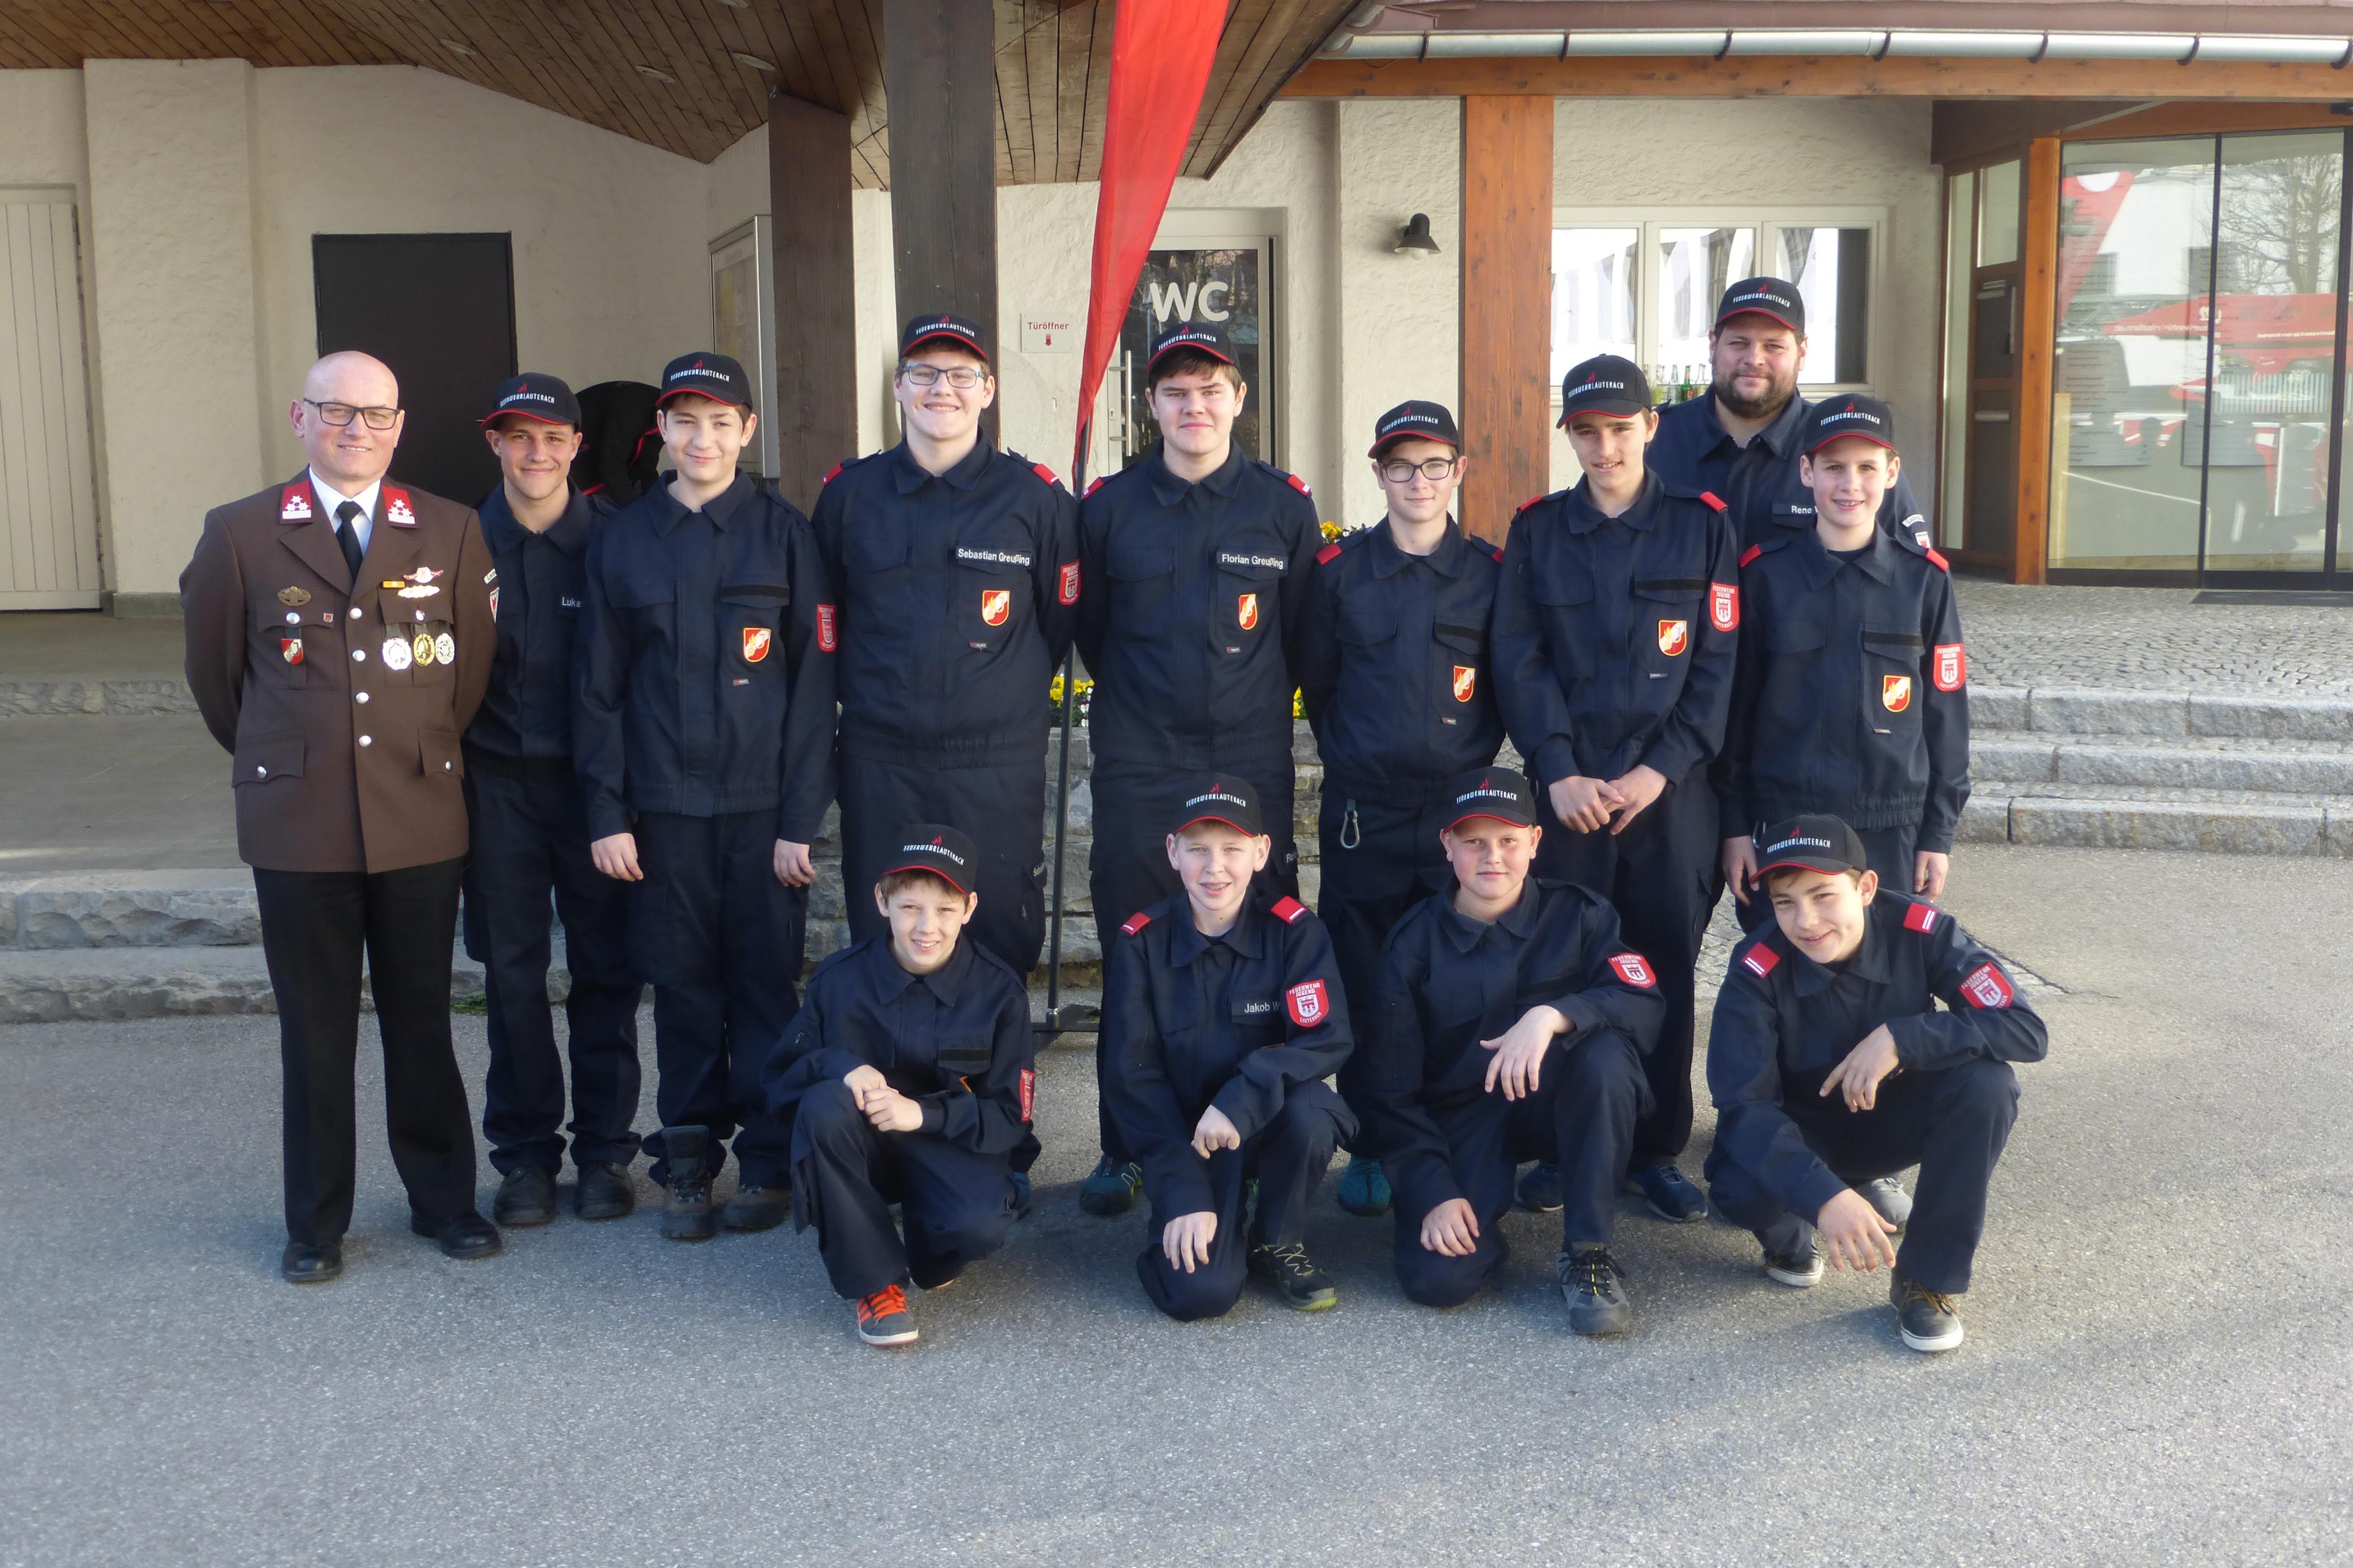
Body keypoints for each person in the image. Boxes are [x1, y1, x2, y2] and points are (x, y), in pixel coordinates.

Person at [180, 350, 500, 1283]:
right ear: (301, 418)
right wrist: (292, 754)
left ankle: (444, 1201)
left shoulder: (450, 528)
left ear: (400, 425)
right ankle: (316, 1224)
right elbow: (218, 683)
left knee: (422, 1019)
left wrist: (405, 746)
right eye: (336, 411)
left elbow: (467, 675)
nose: (356, 429)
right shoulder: (240, 532)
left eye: (375, 413)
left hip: (416, 809)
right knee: (315, 1030)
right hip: (300, 817)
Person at [574, 351, 836, 1242]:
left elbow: (814, 692)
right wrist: (606, 814)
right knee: (683, 988)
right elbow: (598, 691)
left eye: (722, 422)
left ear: (747, 430)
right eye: (685, 421)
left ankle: (766, 1160)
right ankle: (687, 1161)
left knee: (765, 987)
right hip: (663, 813)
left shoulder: (785, 535)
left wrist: (800, 821)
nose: (703, 438)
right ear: (662, 430)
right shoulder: (622, 539)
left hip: (763, 816)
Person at [1073, 320, 1323, 1218]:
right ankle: (1126, 1145)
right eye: (1176, 391)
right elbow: (1091, 631)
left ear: (1239, 399)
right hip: (1142, 759)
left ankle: (1249, 1128)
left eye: (1211, 389)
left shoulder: (1283, 508)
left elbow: (1305, 638)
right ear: (1151, 403)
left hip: (1249, 757)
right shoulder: (1108, 509)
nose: (1194, 406)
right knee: (1134, 944)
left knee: (1255, 942)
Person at [1490, 356, 1739, 1226]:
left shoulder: (1703, 528)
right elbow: (1518, 658)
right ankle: (1566, 1145)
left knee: (1662, 967)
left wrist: (1657, 770)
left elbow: (1717, 667)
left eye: (1620, 430)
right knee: (1564, 966)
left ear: (1651, 428)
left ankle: (1654, 1150)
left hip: (1670, 797)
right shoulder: (1538, 530)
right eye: (1587, 432)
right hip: (1569, 798)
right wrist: (1556, 767)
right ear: (1569, 436)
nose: (1605, 448)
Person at [1704, 815, 2046, 1353]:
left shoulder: (1921, 930)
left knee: (1988, 1085)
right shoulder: (1756, 967)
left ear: (1865, 888)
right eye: (1785, 902)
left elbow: (2024, 1029)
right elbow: (1743, 1107)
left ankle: (1925, 1280)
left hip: (1890, 1121)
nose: (1807, 921)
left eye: (1823, 896)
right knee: (1738, 1188)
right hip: (1803, 1131)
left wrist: (1903, 1038)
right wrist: (1821, 1198)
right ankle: (1792, 1239)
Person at [810, 314, 1078, 975]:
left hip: (994, 762)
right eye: (924, 373)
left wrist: (996, 692)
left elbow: (1060, 620)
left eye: (961, 375)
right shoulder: (850, 496)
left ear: (988, 390)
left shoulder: (1035, 499)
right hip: (882, 761)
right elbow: (825, 625)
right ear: (898, 387)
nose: (942, 390)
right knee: (885, 935)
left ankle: (992, 1048)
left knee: (999, 932)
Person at [1359, 769, 1664, 1334]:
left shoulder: (1580, 914)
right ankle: (1483, 1216)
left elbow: (1641, 1000)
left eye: (1507, 840)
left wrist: (1554, 1015)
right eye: (1474, 842)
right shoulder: (1412, 944)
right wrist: (1433, 1191)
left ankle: (1588, 1252)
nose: (1492, 857)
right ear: (1447, 846)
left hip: (1556, 1102)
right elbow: (1391, 1089)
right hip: (1463, 1115)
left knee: (1604, 1058)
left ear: (1535, 841)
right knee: (1438, 1281)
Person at [1295, 400, 1505, 1219]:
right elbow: (1319, 683)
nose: (1418, 481)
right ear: (1378, 474)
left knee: (1456, 977)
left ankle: (1452, 1133)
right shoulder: (1339, 572)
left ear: (1459, 472)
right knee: (1367, 978)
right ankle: (1373, 1141)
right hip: (1365, 812)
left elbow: (1504, 688)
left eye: (1434, 465)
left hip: (1458, 815)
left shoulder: (1490, 575)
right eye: (1400, 466)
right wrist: (1361, 758)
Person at [461, 373, 644, 1228]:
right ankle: (527, 1156)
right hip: (495, 787)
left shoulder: (618, 541)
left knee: (607, 973)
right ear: (494, 443)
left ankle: (604, 1152)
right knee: (512, 976)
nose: (536, 453)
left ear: (577, 446)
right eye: (519, 437)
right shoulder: (456, 544)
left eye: (553, 437)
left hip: (595, 792)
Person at [766, 827, 1035, 1347]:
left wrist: (925, 1115)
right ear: (881, 901)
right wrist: (840, 1065)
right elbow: (780, 1083)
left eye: (944, 910)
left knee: (975, 1228)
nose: (926, 927)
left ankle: (930, 1245)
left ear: (969, 908)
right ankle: (877, 1283)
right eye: (910, 907)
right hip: (859, 1149)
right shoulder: (837, 981)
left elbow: (1011, 1117)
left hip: (948, 1144)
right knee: (823, 1103)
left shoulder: (1000, 992)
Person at [1100, 778, 1355, 1320]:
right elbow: (1133, 1078)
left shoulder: (1295, 932)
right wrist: (1181, 1190)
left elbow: (1326, 1037)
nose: (1215, 868)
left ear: (1261, 852)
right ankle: (1196, 1220)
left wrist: (1243, 1096)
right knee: (1200, 1295)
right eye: (1199, 850)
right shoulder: (1141, 943)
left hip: (1263, 1121)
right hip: (1187, 1141)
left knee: (1313, 1109)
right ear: (1173, 852)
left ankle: (1276, 1239)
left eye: (1233, 849)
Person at [1718, 394, 1970, 925]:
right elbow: (1735, 710)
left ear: (1892, 473)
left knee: (1886, 965)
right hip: (1784, 819)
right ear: (1806, 472)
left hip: (1889, 825)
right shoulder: (1764, 576)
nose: (1850, 484)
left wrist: (1938, 834)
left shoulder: (1924, 581)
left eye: (1866, 468)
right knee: (1786, 962)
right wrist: (1735, 825)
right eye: (1833, 467)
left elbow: (1946, 717)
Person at [1647, 276, 1927, 549]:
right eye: (1739, 343)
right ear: (1712, 346)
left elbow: (1910, 570)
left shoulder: (1847, 444)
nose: (1754, 359)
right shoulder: (1655, 442)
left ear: (1802, 353)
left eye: (1774, 346)